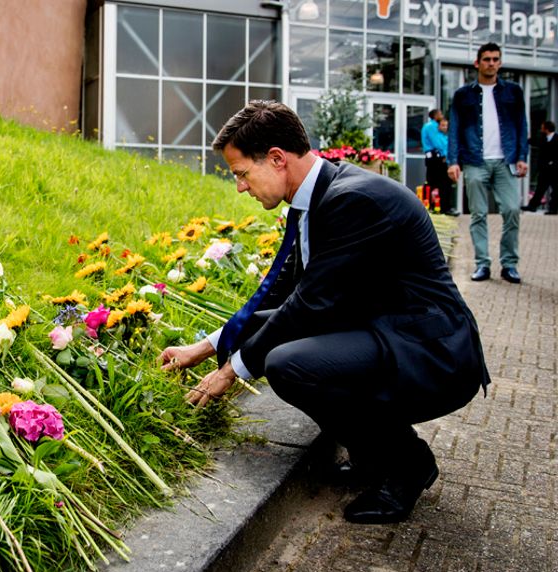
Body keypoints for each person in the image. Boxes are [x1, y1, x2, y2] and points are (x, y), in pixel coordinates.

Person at [160, 101, 489, 525]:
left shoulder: (354, 200)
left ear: (277, 159)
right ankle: (375, 457)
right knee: (279, 341)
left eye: (241, 173)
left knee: (287, 364)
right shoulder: (319, 196)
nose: (240, 187)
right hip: (389, 333)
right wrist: (204, 349)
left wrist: (230, 373)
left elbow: (308, 305)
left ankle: (408, 463)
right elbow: (278, 295)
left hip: (433, 352)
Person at [447, 42, 529, 284]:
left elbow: (522, 126)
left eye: (495, 59)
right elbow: (455, 129)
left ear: (500, 63)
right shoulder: (463, 95)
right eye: (487, 59)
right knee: (478, 215)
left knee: (512, 210)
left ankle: (509, 264)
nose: (491, 63)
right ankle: (482, 264)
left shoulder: (513, 92)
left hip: (506, 161)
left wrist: (522, 157)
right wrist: (453, 161)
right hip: (474, 161)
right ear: (477, 63)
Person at [421, 109, 454, 215]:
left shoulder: (432, 126)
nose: (442, 115)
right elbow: (439, 143)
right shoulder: (432, 127)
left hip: (434, 158)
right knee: (443, 183)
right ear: (435, 115)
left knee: (434, 182)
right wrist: (446, 155)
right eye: (440, 113)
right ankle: (444, 207)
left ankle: (435, 206)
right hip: (437, 159)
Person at [524, 120, 556, 214]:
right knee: (540, 188)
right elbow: (534, 141)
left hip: (555, 170)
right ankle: (532, 206)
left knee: (555, 191)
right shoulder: (543, 138)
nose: (541, 129)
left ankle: (553, 209)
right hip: (544, 170)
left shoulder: (556, 138)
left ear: (546, 129)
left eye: (542, 128)